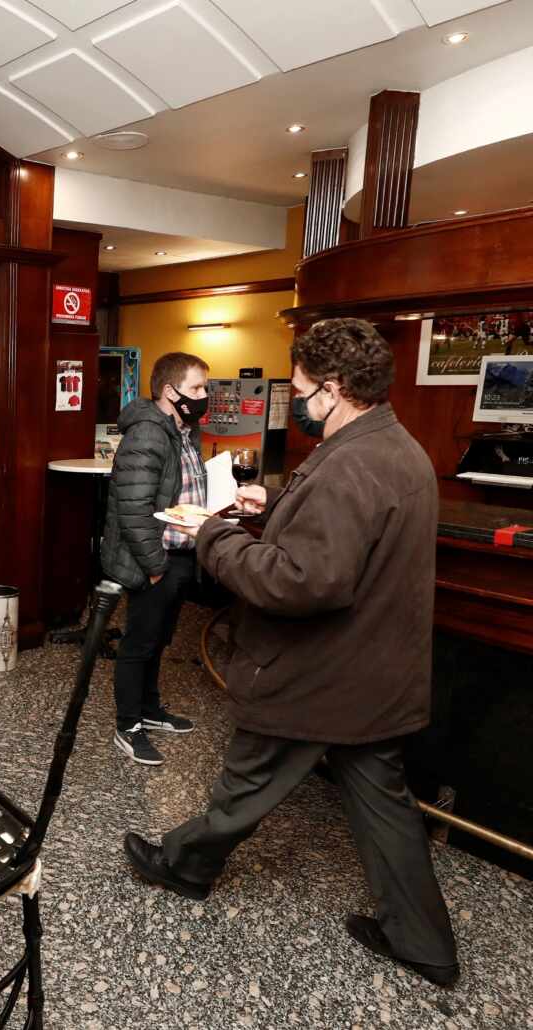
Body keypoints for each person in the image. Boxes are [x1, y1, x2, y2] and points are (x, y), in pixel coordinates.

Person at [123, 319, 459, 988]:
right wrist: (273, 506)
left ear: (334, 390)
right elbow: (343, 535)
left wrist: (214, 535)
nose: (298, 402)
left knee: (246, 780)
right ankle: (424, 943)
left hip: (319, 673)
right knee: (383, 802)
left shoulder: (352, 463)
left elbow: (301, 581)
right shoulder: (395, 447)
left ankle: (185, 867)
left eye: (303, 389)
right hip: (377, 675)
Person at [100, 351, 207, 767]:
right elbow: (133, 509)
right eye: (196, 388)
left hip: (180, 554)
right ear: (170, 390)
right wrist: (156, 567)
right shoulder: (148, 434)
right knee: (139, 644)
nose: (202, 396)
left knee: (159, 640)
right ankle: (128, 726)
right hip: (155, 559)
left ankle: (149, 709)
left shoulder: (184, 431)